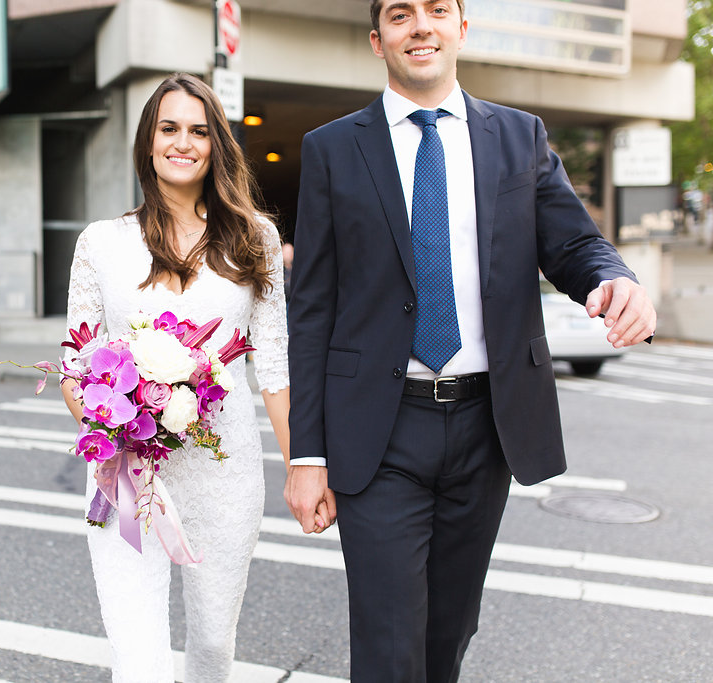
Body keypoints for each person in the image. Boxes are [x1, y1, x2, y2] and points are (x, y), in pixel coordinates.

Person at [285, 2, 658, 682]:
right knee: (388, 638)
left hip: (488, 426)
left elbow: (573, 242)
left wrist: (613, 279)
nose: (420, 25)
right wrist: (305, 455)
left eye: (437, 10)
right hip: (378, 428)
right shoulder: (333, 149)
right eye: (401, 14)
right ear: (378, 40)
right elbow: (310, 308)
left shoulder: (520, 137)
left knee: (447, 635)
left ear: (463, 28)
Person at [62, 72, 289, 682]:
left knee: (213, 649)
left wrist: (305, 470)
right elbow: (73, 366)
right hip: (127, 474)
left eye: (198, 130)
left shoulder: (254, 238)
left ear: (216, 144)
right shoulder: (102, 243)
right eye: (169, 128)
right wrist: (122, 419)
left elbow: (272, 366)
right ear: (148, 140)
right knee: (139, 663)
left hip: (225, 470)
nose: (182, 142)